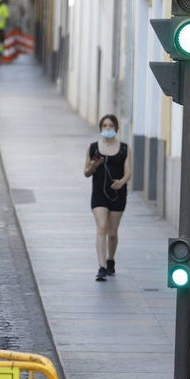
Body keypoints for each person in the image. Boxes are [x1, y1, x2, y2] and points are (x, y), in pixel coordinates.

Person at [83, 115, 131, 281]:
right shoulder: (93, 148)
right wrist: (94, 164)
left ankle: (110, 259)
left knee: (112, 233)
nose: (108, 128)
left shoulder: (124, 148)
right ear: (100, 128)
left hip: (118, 194)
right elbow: (86, 173)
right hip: (99, 194)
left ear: (116, 128)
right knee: (101, 227)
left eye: (111, 126)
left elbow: (128, 173)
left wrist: (121, 182)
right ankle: (102, 267)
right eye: (104, 125)